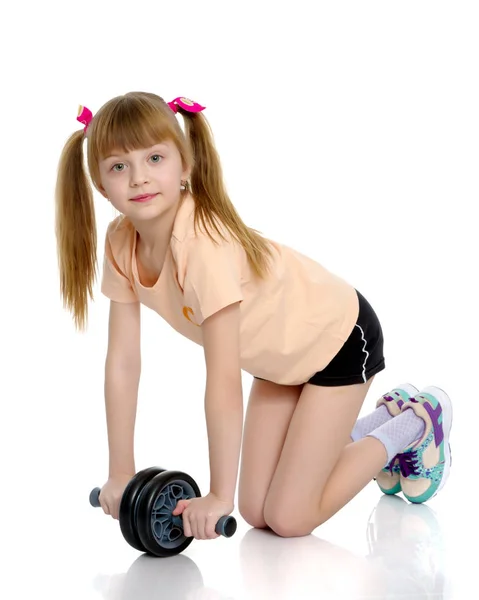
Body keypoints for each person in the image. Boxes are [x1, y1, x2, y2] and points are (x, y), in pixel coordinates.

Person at [55, 92, 453, 541]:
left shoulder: (203, 247)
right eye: (118, 166)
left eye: (154, 158)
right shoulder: (120, 243)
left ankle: (418, 420)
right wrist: (120, 472)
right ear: (100, 183)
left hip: (338, 339)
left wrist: (217, 496)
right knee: (256, 509)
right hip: (278, 363)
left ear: (184, 166)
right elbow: (123, 364)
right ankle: (370, 423)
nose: (139, 178)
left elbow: (223, 378)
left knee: (288, 517)